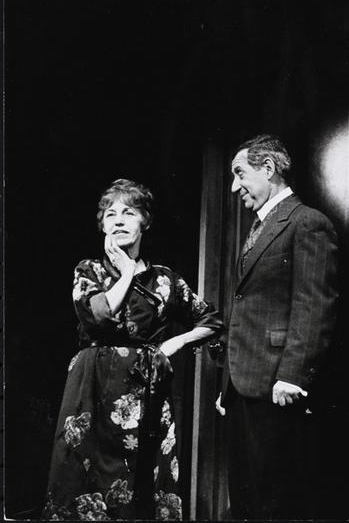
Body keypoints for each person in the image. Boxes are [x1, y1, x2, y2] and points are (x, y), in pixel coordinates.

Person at [43, 179, 224, 520]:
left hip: (147, 387)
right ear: (102, 226)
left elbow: (212, 320)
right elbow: (99, 315)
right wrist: (126, 273)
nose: (119, 221)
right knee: (83, 480)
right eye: (110, 215)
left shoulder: (166, 279)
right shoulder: (89, 270)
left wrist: (176, 341)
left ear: (145, 222)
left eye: (129, 212)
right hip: (93, 387)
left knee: (143, 481)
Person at [215, 134, 339, 519]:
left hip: (277, 385)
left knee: (276, 501)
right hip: (245, 386)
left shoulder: (307, 223)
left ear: (268, 169)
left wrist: (292, 375)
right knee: (246, 500)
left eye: (240, 174)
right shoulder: (259, 227)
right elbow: (248, 308)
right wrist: (228, 385)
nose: (234, 187)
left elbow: (314, 305)